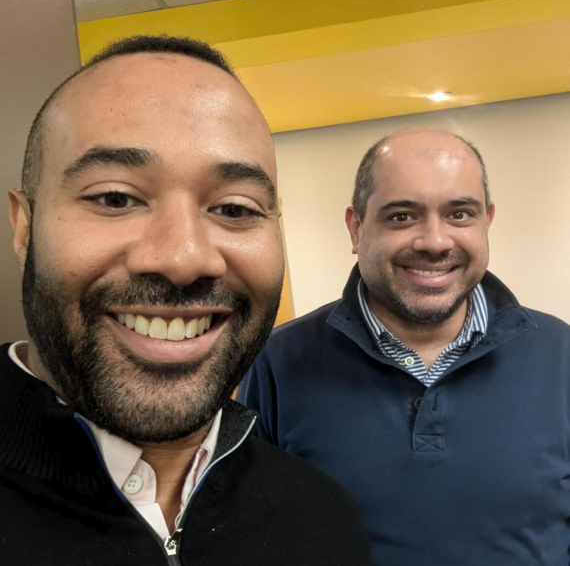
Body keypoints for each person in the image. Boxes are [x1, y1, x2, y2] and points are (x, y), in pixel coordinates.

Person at [1, 35, 372, 565]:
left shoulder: (320, 519)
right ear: (24, 228)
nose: (185, 258)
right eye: (115, 198)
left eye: (235, 208)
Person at [238, 128, 570, 566]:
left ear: (486, 221)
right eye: (401, 216)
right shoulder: (277, 362)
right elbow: (258, 534)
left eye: (460, 214)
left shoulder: (560, 354)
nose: (434, 241)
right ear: (356, 228)